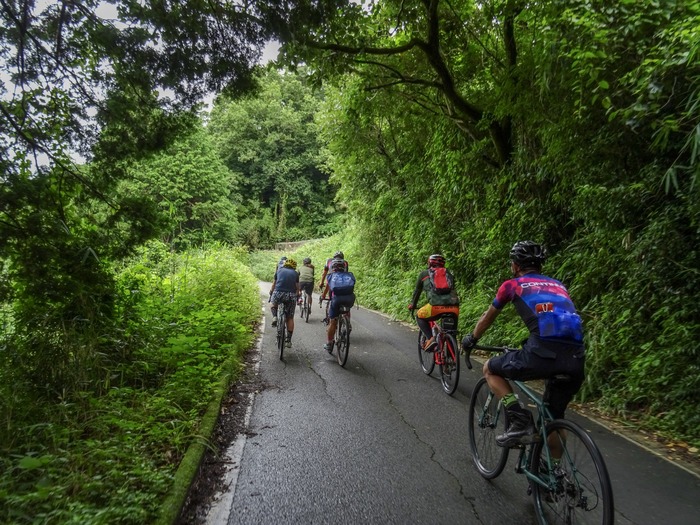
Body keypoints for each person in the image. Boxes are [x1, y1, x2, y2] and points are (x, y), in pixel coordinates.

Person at [461, 241, 585, 448]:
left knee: (490, 369)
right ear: (540, 266)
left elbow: (487, 317)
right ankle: (552, 474)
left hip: (543, 354)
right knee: (552, 419)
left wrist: (472, 339)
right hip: (576, 359)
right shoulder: (559, 286)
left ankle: (520, 420)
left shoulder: (512, 285)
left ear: (516, 265)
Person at [408, 254, 460, 350]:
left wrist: (413, 305)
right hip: (454, 308)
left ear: (429, 263)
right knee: (451, 333)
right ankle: (453, 360)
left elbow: (417, 292)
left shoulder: (424, 274)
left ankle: (430, 338)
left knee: (419, 316)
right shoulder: (450, 274)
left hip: (435, 307)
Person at [319, 258, 356, 354]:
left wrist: (323, 296)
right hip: (350, 299)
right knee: (346, 310)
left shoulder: (331, 276)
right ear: (344, 267)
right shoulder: (350, 275)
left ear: (333, 268)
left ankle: (329, 343)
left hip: (337, 299)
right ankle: (346, 322)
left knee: (332, 321)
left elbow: (327, 288)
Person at [269, 258, 301, 348]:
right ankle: (288, 340)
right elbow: (297, 287)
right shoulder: (295, 273)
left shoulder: (279, 270)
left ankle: (275, 316)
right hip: (291, 295)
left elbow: (274, 284)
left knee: (273, 304)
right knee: (290, 317)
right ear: (294, 267)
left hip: (278, 293)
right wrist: (297, 294)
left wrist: (271, 292)